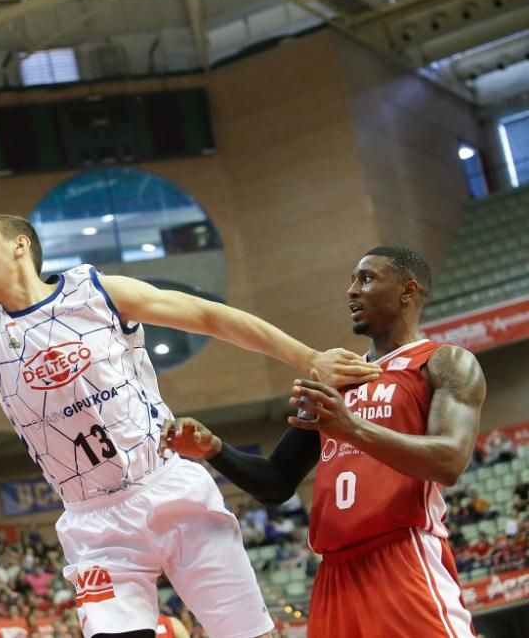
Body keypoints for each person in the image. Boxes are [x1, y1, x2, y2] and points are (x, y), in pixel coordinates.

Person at [0, 90, 380, 638]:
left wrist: (308, 357)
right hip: (93, 520)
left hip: (166, 484)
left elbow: (210, 316)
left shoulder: (95, 292)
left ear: (21, 246)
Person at [165, 247, 485, 638]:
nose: (352, 291)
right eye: (351, 280)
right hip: (334, 575)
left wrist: (351, 428)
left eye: (366, 279)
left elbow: (450, 460)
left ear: (408, 291)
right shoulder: (338, 379)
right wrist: (214, 448)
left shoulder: (442, 362)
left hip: (403, 556)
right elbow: (276, 481)